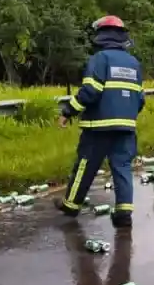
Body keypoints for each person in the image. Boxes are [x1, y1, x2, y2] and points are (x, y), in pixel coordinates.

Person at [56, 15, 145, 228]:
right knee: (122, 167)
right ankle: (124, 213)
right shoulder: (134, 63)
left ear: (102, 35)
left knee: (85, 166)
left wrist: (68, 111)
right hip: (126, 128)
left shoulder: (100, 59)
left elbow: (90, 91)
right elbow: (140, 99)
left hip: (98, 127)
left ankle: (71, 205)